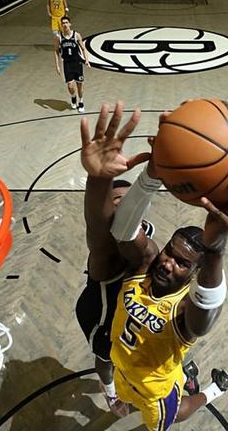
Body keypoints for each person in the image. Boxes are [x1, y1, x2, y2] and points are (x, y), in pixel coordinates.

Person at [79, 101, 228, 429]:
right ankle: (184, 376)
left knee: (177, 413)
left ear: (194, 274)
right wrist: (148, 175)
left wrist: (216, 248)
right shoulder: (146, 265)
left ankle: (213, 389)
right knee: (128, 382)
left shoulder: (182, 312)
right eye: (169, 253)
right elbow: (115, 230)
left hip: (156, 390)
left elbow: (203, 316)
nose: (168, 263)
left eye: (181, 263)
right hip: (126, 370)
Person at [75, 178, 156, 417]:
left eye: (130, 199)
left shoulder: (145, 229)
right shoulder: (104, 251)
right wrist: (98, 178)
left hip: (126, 310)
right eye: (117, 201)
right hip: (101, 318)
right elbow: (94, 225)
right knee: (106, 359)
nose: (125, 205)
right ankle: (110, 392)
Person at [54, 16, 89, 113]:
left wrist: (86, 60)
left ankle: (81, 102)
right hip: (67, 64)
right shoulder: (59, 37)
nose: (65, 25)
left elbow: (83, 48)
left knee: (79, 84)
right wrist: (57, 65)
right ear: (61, 25)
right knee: (70, 85)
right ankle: (73, 97)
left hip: (77, 63)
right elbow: (56, 51)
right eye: (63, 23)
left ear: (70, 24)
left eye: (66, 23)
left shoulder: (76, 35)